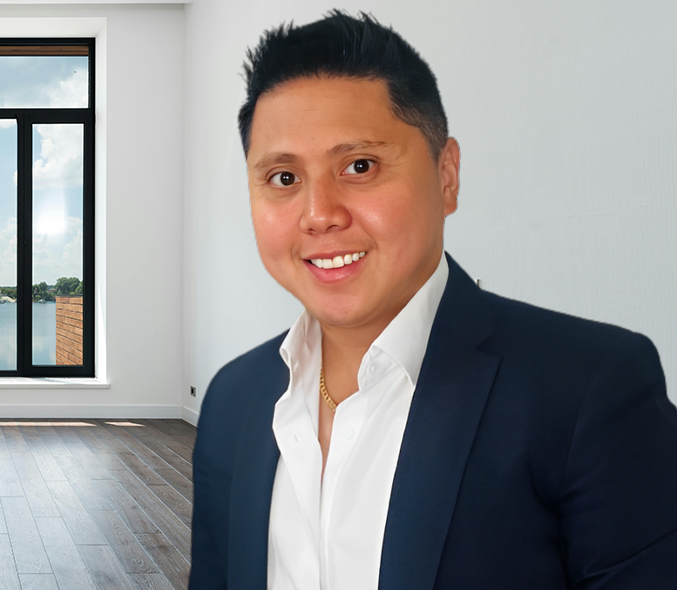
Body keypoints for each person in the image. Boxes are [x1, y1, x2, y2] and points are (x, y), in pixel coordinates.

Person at [188, 11, 677, 590]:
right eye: (284, 179)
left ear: (446, 176)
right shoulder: (232, 400)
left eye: (359, 166)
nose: (319, 215)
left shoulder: (588, 390)